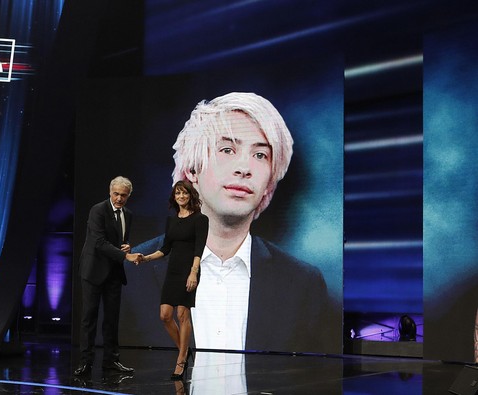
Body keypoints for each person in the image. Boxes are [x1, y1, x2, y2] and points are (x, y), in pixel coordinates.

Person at [125, 92, 331, 354]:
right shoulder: (133, 273)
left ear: (269, 182)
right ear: (192, 170)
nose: (244, 167)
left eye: (260, 155)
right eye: (227, 149)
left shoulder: (304, 283)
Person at [138, 180, 209, 380]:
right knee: (165, 315)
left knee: (182, 313)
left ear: (190, 195)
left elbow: (199, 248)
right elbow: (165, 248)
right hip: (173, 271)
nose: (181, 197)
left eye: (184, 193)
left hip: (189, 270)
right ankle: (185, 352)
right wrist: (146, 258)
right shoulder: (172, 221)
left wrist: (194, 272)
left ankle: (180, 361)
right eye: (178, 193)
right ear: (174, 197)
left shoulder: (200, 219)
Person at [74, 176, 142, 377]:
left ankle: (111, 361)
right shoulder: (98, 210)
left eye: (124, 195)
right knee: (89, 318)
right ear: (110, 192)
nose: (119, 198)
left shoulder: (128, 214)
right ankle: (86, 363)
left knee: (112, 319)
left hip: (113, 271)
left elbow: (119, 239)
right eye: (116, 194)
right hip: (93, 270)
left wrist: (126, 245)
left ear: (129, 196)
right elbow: (99, 242)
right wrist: (126, 255)